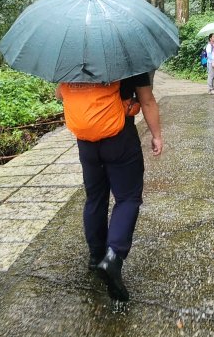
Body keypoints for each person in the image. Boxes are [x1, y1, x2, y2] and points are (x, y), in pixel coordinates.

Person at [55, 73, 162, 302]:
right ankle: (112, 257)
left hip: (87, 143)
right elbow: (147, 100)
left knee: (95, 197)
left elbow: (59, 94)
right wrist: (157, 136)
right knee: (128, 198)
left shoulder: (75, 59)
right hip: (120, 138)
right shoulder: (128, 57)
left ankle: (96, 257)